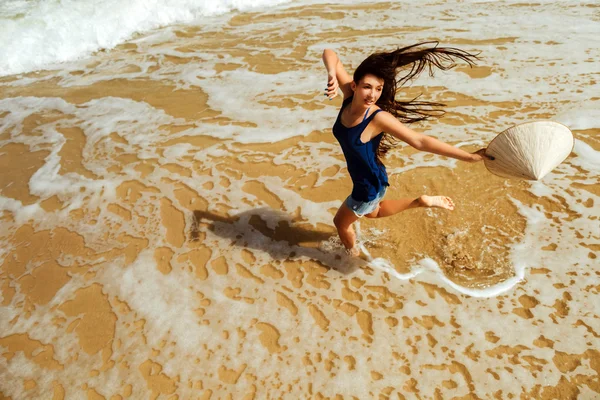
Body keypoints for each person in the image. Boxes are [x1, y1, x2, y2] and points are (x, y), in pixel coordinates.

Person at [322, 42, 490, 257]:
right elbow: (330, 53)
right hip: (372, 177)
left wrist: (468, 157)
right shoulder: (347, 95)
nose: (372, 95)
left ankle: (351, 257)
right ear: (354, 86)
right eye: (367, 87)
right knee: (374, 212)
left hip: (368, 185)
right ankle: (420, 202)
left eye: (379, 89)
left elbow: (419, 141)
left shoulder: (377, 117)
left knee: (341, 223)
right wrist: (331, 75)